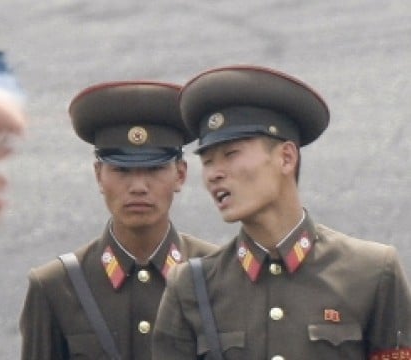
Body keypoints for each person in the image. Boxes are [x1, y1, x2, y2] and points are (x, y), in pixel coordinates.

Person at [153, 65, 411, 359]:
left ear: (286, 158)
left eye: (231, 154)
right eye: (208, 161)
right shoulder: (189, 287)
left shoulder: (372, 272)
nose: (214, 174)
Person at [20, 80, 216, 360]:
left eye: (154, 168)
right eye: (122, 170)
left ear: (180, 174)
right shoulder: (56, 287)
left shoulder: (217, 276)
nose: (138, 186)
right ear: (99, 175)